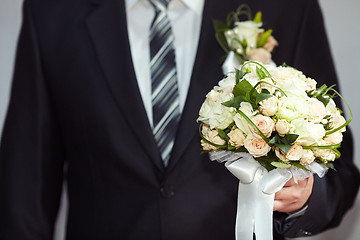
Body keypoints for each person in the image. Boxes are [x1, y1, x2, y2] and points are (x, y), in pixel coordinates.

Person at [0, 0, 358, 239]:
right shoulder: (53, 12)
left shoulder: (286, 8)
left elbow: (337, 168)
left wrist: (305, 197)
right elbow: (24, 185)